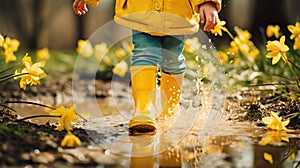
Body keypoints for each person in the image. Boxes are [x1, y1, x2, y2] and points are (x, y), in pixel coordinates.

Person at [73, 0, 222, 133]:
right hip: (142, 9)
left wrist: (208, 2)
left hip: (177, 10)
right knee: (144, 53)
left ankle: (169, 111)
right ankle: (143, 110)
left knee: (173, 59)